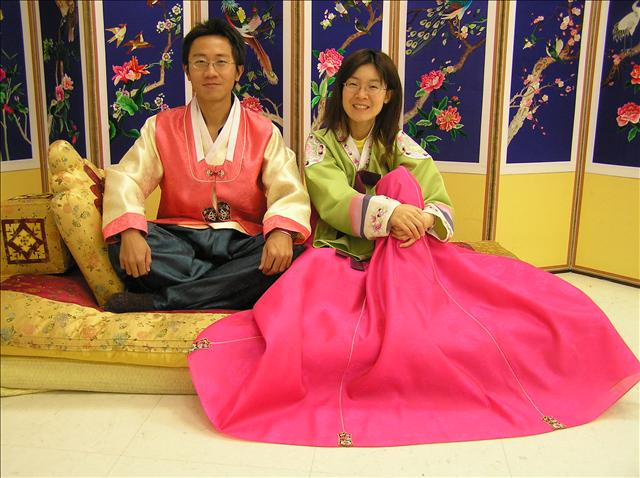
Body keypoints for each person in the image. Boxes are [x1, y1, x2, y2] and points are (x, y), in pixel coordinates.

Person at [188, 49, 640, 447]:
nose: (361, 95)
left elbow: (437, 198)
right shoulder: (319, 143)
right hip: (341, 250)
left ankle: (409, 297)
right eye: (352, 84)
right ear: (340, 91)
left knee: (410, 188)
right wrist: (390, 213)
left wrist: (421, 217)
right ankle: (401, 308)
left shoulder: (399, 143)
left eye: (373, 86)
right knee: (313, 327)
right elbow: (332, 198)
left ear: (388, 95)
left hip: (407, 249)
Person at [102, 19, 311, 312]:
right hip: (180, 241)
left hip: (241, 241)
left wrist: (280, 233)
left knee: (296, 252)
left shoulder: (264, 131)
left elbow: (287, 189)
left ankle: (163, 300)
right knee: (121, 244)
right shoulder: (160, 127)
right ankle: (232, 287)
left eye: (221, 62)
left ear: (238, 71)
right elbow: (127, 178)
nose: (211, 72)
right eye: (200, 62)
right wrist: (130, 232)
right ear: (187, 71)